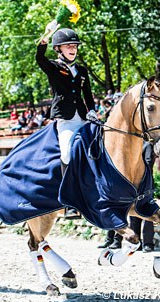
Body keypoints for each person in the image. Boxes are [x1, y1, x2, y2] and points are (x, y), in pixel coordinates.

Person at [36, 24, 95, 219]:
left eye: (75, 46)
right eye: (68, 46)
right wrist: (44, 39)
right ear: (58, 49)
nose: (72, 48)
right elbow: (39, 58)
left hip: (83, 116)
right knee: (68, 154)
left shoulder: (83, 70)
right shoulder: (53, 67)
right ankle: (69, 202)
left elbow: (88, 94)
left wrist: (93, 110)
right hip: (66, 119)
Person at [130, 141, 156, 253]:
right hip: (132, 185)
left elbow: (148, 163)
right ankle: (136, 242)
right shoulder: (131, 145)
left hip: (145, 185)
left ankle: (148, 243)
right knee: (133, 214)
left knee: (147, 213)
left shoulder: (147, 145)